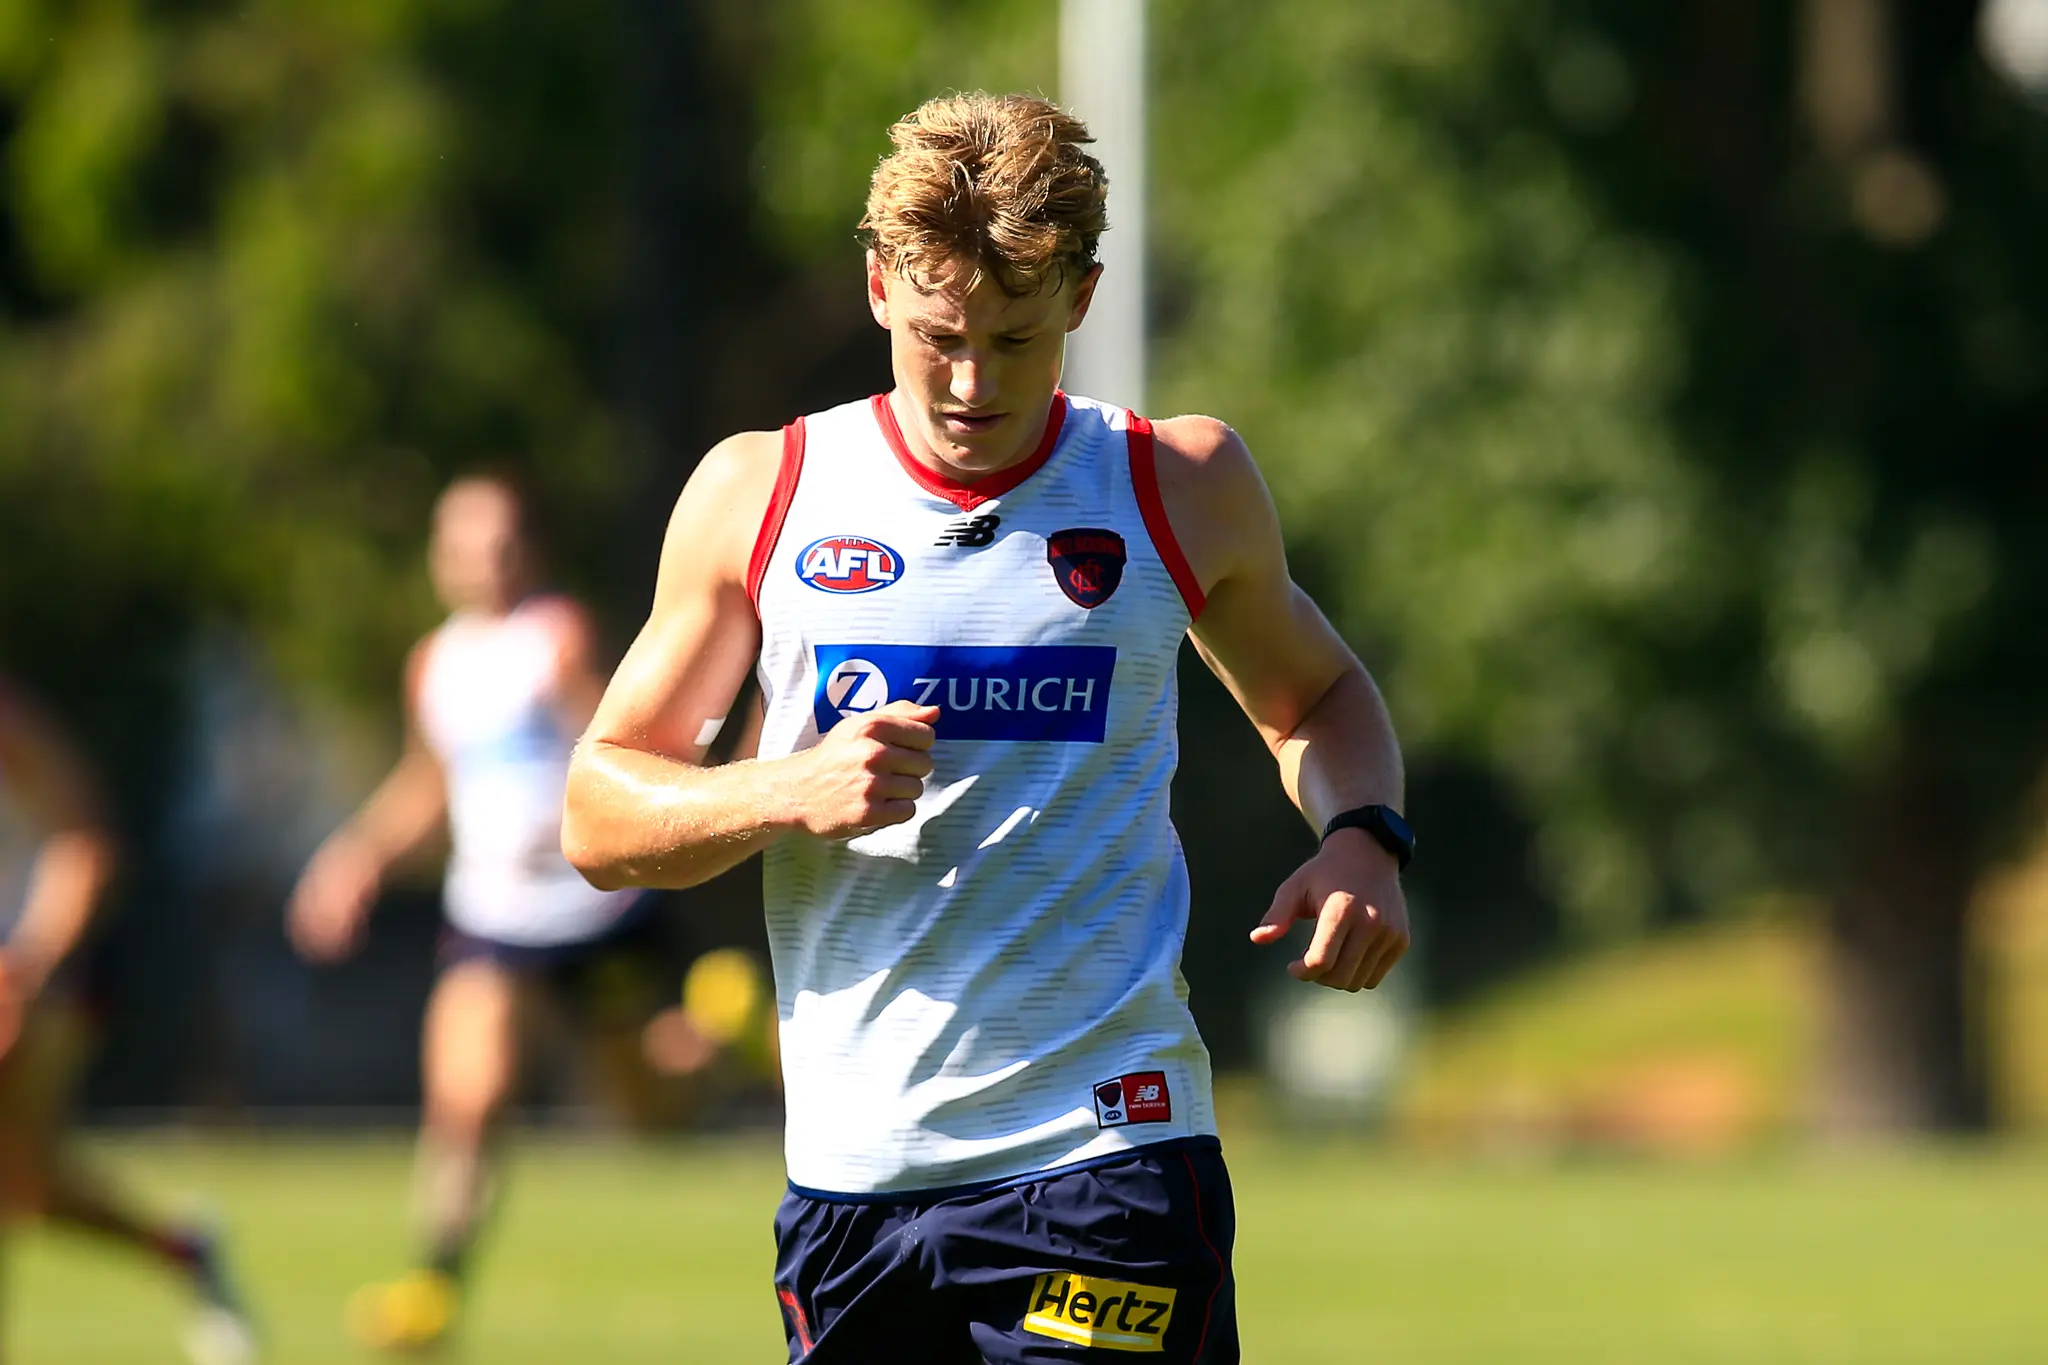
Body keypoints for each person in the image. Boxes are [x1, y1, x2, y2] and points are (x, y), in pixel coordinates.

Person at [562, 92, 1414, 1364]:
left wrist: (1362, 836)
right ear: (878, 291)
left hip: (1104, 1160)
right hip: (849, 1190)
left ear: (1080, 296)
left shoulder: (1173, 485)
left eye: (1014, 340)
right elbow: (598, 811)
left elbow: (1320, 697)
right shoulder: (763, 492)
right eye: (938, 337)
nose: (971, 383)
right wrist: (783, 789)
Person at [287, 475, 701, 1352]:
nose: (483, 561)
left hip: (595, 908)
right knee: (465, 1100)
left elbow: (623, 749)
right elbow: (429, 785)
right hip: (492, 913)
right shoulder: (434, 663)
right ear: (440, 558)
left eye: (501, 544)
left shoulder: (558, 637)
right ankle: (432, 1287)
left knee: (651, 1111)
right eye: (465, 545)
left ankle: (729, 1040)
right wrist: (357, 856)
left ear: (531, 549)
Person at [0, 675, 255, 1365]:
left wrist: (29, 963)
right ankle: (181, 1247)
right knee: (28, 1188)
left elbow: (84, 846)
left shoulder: (10, 723)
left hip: (33, 982)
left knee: (16, 1179)